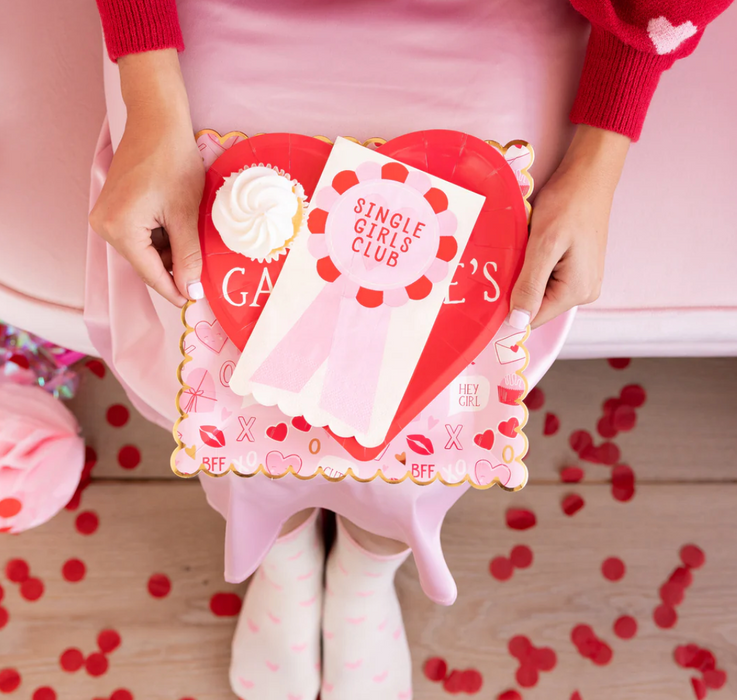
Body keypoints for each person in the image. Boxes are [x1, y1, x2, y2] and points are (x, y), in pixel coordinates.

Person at [87, 1, 733, 698]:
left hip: (492, 19)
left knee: (443, 385)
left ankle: (368, 566)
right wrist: (148, 85)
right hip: (217, 17)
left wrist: (600, 156)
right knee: (220, 340)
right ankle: (281, 553)